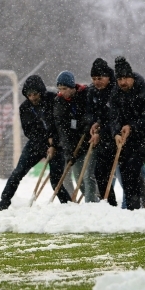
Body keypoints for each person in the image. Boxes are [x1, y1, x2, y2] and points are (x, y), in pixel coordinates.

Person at [0, 75, 71, 213]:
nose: (32, 97)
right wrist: (45, 144)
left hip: (57, 146)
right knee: (17, 173)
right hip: (36, 145)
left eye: (35, 94)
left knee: (55, 181)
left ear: (41, 91)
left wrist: (54, 144)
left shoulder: (54, 100)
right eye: (29, 95)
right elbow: (29, 132)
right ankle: (2, 206)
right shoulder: (24, 108)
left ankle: (69, 208)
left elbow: (60, 125)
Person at [110, 56, 145, 210]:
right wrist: (116, 132)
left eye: (125, 78)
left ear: (132, 77)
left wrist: (132, 126)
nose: (123, 82)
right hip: (132, 141)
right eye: (119, 79)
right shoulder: (116, 93)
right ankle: (133, 208)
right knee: (129, 173)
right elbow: (114, 116)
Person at [53, 70, 99, 202]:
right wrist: (68, 150)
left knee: (88, 176)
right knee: (79, 179)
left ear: (72, 86)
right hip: (75, 145)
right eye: (60, 89)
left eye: (65, 88)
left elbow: (93, 113)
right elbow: (62, 129)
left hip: (90, 140)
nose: (62, 92)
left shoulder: (86, 94)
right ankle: (93, 201)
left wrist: (87, 124)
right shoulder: (59, 102)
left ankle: (93, 205)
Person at [85, 58, 119, 206]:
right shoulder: (92, 91)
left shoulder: (116, 90)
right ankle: (110, 204)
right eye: (94, 79)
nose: (96, 82)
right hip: (104, 139)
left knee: (126, 174)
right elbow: (90, 113)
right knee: (100, 172)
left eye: (100, 78)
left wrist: (102, 130)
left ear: (108, 77)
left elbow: (113, 118)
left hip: (118, 136)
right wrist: (93, 123)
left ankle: (135, 205)